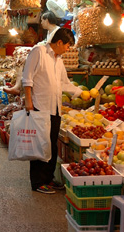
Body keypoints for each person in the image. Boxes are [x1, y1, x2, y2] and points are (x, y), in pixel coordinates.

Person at [21, 28, 83, 194]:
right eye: (68, 46)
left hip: (55, 108)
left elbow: (64, 83)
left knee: (51, 146)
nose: (68, 50)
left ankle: (48, 177)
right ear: (60, 42)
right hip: (39, 106)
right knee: (40, 146)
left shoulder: (59, 60)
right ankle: (38, 182)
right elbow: (27, 78)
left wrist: (80, 93)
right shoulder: (39, 52)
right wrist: (28, 102)